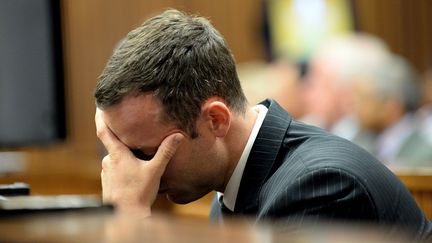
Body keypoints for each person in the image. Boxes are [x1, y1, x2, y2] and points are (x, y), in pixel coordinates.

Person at [94, 10, 431, 240]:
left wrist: (129, 223)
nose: (137, 173)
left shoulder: (320, 187)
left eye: (146, 152)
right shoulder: (233, 181)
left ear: (216, 120)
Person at [352, 54, 432, 165]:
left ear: (391, 106)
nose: (353, 105)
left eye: (363, 99)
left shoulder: (424, 156)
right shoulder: (364, 143)